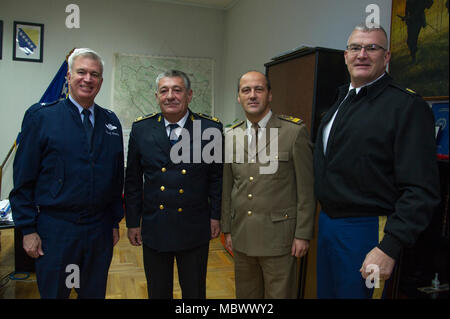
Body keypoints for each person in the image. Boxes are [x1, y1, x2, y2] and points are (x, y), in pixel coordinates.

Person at [313, 24, 440, 299]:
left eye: (372, 48)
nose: (362, 54)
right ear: (345, 56)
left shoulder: (406, 107)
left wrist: (389, 246)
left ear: (387, 57)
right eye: (355, 48)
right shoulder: (340, 101)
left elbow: (422, 189)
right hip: (328, 226)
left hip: (368, 233)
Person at [9, 48, 125, 298]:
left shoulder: (110, 122)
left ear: (101, 82)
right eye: (81, 72)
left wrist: (114, 221)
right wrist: (27, 230)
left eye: (94, 74)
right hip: (56, 230)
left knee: (92, 294)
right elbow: (22, 179)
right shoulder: (42, 117)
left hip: (99, 230)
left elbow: (116, 179)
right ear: (68, 77)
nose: (88, 79)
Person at [124, 70, 223, 299]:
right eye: (164, 91)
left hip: (194, 226)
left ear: (189, 95)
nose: (170, 96)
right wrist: (132, 222)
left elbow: (216, 178)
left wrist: (215, 216)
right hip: (155, 224)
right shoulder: (142, 129)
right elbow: (133, 181)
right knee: (158, 291)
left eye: (177, 90)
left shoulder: (209, 129)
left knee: (194, 292)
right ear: (157, 96)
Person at [221, 71, 315, 299]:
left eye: (259, 89)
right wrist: (227, 229)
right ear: (238, 97)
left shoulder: (293, 132)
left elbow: (306, 190)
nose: (252, 95)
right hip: (242, 235)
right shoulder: (230, 135)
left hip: (280, 239)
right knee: (246, 297)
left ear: (270, 95)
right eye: (246, 90)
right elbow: (227, 187)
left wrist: (303, 234)